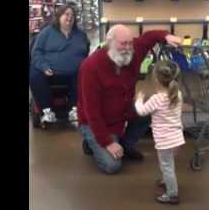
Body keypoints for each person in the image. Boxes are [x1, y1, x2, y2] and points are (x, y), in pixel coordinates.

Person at [77, 24, 182, 174]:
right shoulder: (90, 67)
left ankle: (125, 145)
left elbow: (149, 37)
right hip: (97, 122)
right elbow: (91, 112)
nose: (128, 48)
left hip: (122, 112)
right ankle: (91, 142)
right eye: (123, 43)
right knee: (112, 166)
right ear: (109, 42)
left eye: (130, 43)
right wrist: (107, 142)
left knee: (146, 112)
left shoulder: (133, 51)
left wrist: (166, 36)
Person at [135, 60, 185, 204]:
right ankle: (166, 180)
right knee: (168, 164)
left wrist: (139, 99)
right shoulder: (177, 94)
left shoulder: (157, 99)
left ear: (156, 79)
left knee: (167, 166)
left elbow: (141, 111)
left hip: (164, 141)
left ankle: (172, 194)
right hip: (177, 138)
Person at [30, 5, 90, 124]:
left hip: (74, 72)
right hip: (49, 72)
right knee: (35, 74)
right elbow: (36, 52)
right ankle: (46, 111)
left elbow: (86, 52)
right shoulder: (47, 32)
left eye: (72, 15)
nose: (69, 17)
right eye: (66, 14)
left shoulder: (81, 35)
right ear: (58, 17)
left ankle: (74, 108)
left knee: (85, 73)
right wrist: (44, 66)